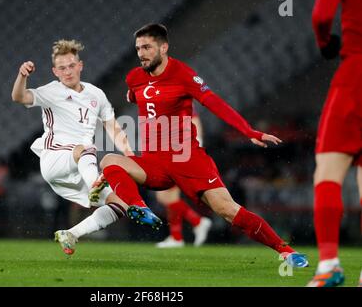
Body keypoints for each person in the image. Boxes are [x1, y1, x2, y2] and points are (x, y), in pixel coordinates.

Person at [96, 23, 308, 268]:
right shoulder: (134, 77)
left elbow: (214, 102)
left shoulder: (184, 74)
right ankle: (139, 207)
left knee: (227, 210)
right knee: (109, 160)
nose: (141, 53)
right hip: (154, 161)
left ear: (163, 48)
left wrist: (247, 130)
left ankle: (286, 251)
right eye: (138, 48)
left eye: (147, 47)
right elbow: (137, 93)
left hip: (186, 158)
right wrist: (133, 95)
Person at [11, 39, 134, 254]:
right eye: (62, 68)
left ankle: (72, 234)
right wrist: (22, 76)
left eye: (71, 66)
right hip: (55, 160)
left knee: (121, 205)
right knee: (86, 148)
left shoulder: (96, 95)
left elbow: (113, 128)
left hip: (80, 167)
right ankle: (95, 184)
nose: (67, 71)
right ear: (55, 72)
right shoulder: (51, 91)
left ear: (80, 66)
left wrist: (129, 154)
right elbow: (19, 97)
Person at [307, 0, 362, 287]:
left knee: (328, 174)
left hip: (356, 76)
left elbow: (321, 15)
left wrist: (325, 43)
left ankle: (329, 264)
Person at [155, 110, 213, 248]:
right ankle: (177, 237)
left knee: (164, 196)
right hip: (172, 150)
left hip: (179, 152)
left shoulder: (178, 99)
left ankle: (197, 222)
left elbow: (194, 121)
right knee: (170, 197)